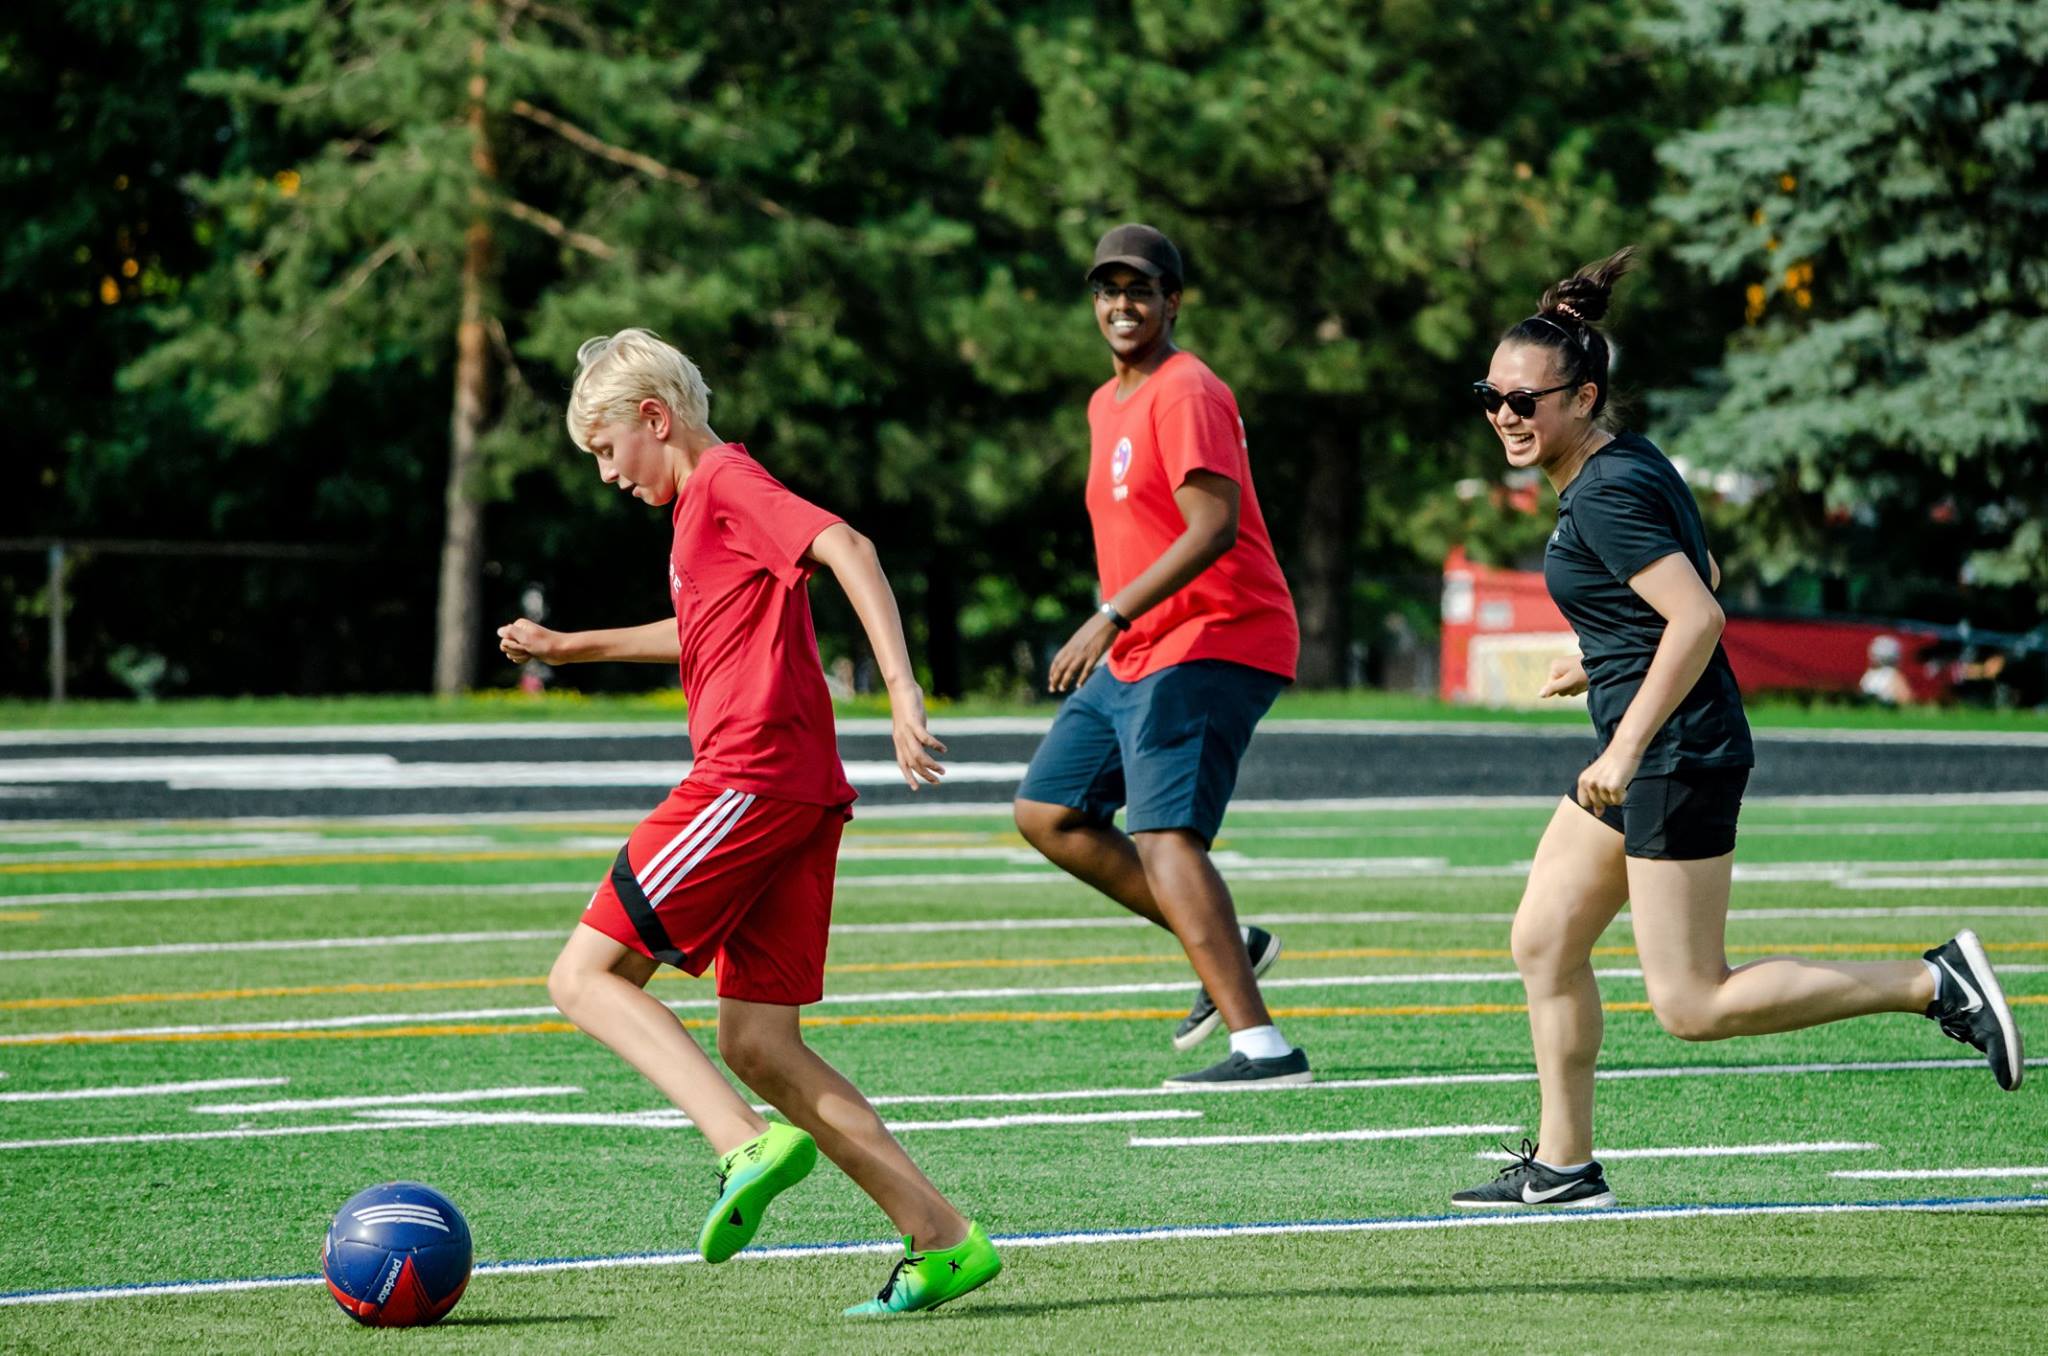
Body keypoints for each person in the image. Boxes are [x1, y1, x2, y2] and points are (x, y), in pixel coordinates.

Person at [1452, 251, 2023, 1209]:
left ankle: (1933, 983)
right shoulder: (1627, 462)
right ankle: (1564, 1165)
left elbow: (1701, 619)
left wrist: (1625, 744)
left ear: (1583, 395)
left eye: (1527, 400)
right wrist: (1595, 660)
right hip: (1649, 739)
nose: (1507, 416)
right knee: (1545, 941)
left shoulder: (1605, 490)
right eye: (1492, 396)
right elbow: (1702, 575)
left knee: (1691, 1003)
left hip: (1674, 753)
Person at [496, 329, 1000, 1314]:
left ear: (654, 419)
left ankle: (740, 1142)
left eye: (606, 451)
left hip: (751, 776)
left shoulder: (724, 481)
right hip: (798, 793)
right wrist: (571, 645)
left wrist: (900, 690)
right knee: (762, 1042)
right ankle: (941, 1238)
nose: (605, 474)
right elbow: (701, 625)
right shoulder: (697, 517)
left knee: (582, 974)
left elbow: (844, 545)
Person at [1012, 224, 1307, 1087]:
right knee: (1049, 810)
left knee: (1166, 833)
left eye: (1140, 290)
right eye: (1107, 291)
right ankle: (1228, 943)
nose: (1121, 306)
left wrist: (1107, 615)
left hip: (1215, 634)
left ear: (1172, 302)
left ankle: (1264, 1048)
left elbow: (1213, 525)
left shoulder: (1187, 390)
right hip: (1144, 643)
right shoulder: (1107, 403)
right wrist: (1121, 624)